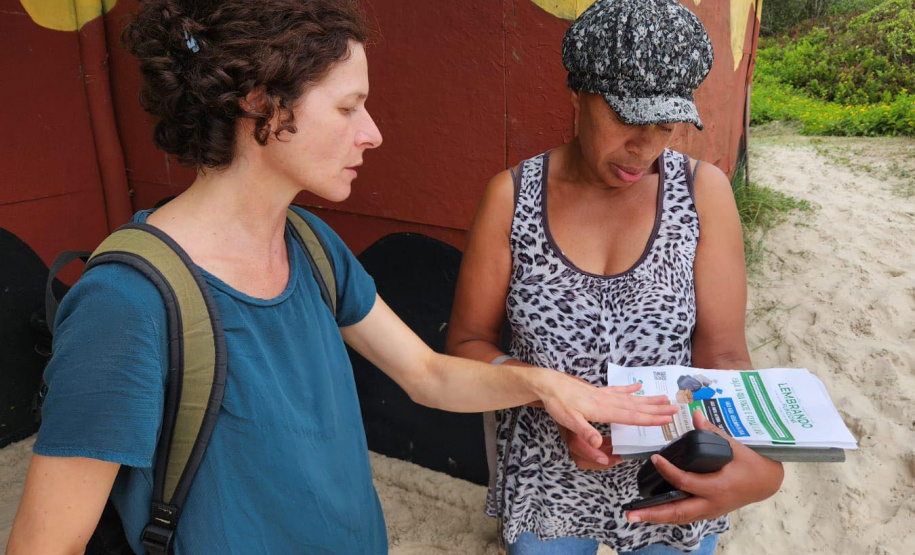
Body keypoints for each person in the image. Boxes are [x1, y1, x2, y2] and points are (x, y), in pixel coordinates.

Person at [5, 1, 679, 554]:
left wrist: (545, 385)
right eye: (348, 107)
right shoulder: (126, 302)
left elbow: (427, 374)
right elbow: (45, 543)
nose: (373, 133)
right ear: (262, 105)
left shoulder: (310, 243)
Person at [445, 1, 785, 554]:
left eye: (666, 125)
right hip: (546, 476)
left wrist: (757, 468)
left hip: (672, 470)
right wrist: (552, 401)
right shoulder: (512, 198)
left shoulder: (703, 196)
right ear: (577, 94)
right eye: (628, 118)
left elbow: (722, 359)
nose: (646, 149)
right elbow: (466, 346)